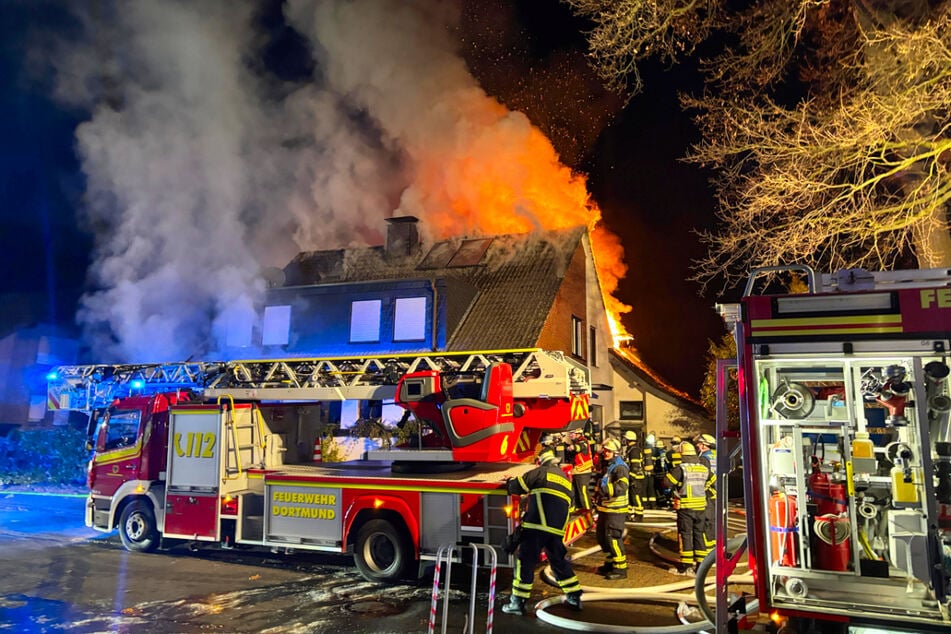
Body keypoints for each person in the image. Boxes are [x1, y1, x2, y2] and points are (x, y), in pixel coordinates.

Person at [502, 448, 583, 615]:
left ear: (540, 461)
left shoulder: (540, 473)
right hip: (556, 531)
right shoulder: (566, 481)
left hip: (536, 527)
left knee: (524, 561)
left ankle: (517, 603)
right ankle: (574, 597)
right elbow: (571, 507)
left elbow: (517, 486)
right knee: (559, 562)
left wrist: (508, 481)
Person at [665, 440, 713, 576]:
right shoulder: (703, 468)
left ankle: (685, 567)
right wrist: (703, 490)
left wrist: (678, 482)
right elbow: (712, 482)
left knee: (685, 535)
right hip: (701, 508)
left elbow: (667, 483)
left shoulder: (681, 469)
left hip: (686, 508)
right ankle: (701, 566)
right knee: (699, 535)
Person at [595, 437, 630, 580]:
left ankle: (620, 569)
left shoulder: (620, 468)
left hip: (615, 510)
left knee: (613, 538)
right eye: (605, 450)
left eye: (608, 451)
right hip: (606, 508)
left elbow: (621, 487)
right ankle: (610, 563)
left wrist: (602, 490)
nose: (605, 453)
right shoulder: (610, 466)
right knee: (603, 538)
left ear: (615, 452)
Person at [695, 433, 718, 552]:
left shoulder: (703, 459)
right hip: (716, 494)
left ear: (704, 446)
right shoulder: (715, 456)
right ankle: (714, 547)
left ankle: (708, 550)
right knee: (714, 521)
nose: (697, 446)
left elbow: (703, 477)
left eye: (699, 444)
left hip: (708, 495)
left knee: (707, 522)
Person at [563, 429, 593, 511]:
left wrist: (573, 447)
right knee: (575, 493)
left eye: (572, 433)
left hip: (583, 472)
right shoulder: (575, 442)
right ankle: (577, 509)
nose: (570, 435)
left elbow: (580, 447)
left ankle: (588, 511)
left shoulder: (583, 441)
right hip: (576, 472)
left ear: (578, 434)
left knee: (583, 493)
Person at [622, 430, 645, 521]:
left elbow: (635, 466)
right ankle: (629, 514)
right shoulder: (631, 449)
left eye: (625, 439)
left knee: (636, 497)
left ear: (628, 440)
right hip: (632, 477)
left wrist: (631, 477)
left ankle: (639, 515)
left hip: (636, 478)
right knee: (631, 497)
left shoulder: (634, 450)